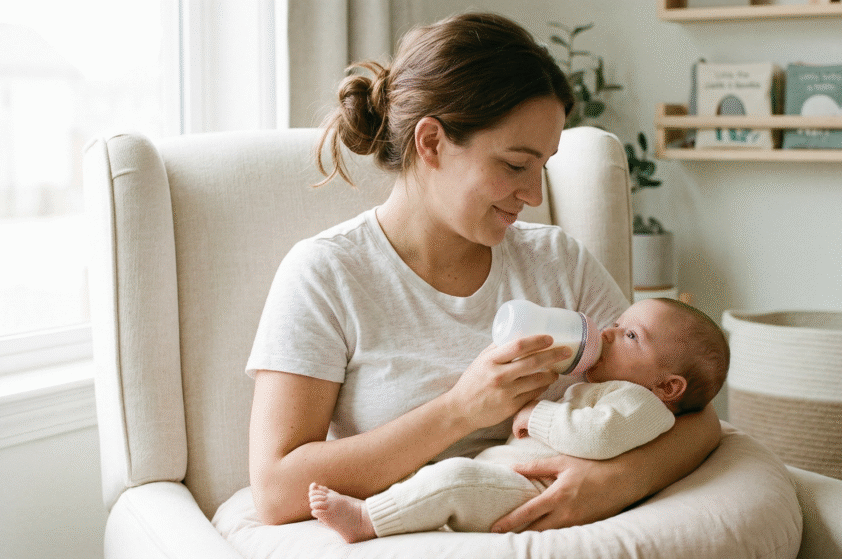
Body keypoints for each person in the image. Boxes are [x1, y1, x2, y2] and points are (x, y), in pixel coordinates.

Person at [246, 11, 721, 532]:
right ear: (431, 143)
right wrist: (459, 410)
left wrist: (617, 481)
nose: (535, 195)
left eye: (543, 166)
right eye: (516, 165)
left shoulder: (558, 262)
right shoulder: (327, 275)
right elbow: (275, 491)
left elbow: (694, 414)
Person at [307, 297, 730, 543]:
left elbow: (596, 436)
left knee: (453, 478)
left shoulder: (644, 406)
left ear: (669, 387)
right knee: (449, 478)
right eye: (618, 323)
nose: (606, 334)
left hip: (534, 491)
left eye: (630, 336)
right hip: (511, 473)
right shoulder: (621, 388)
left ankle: (369, 520)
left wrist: (535, 413)